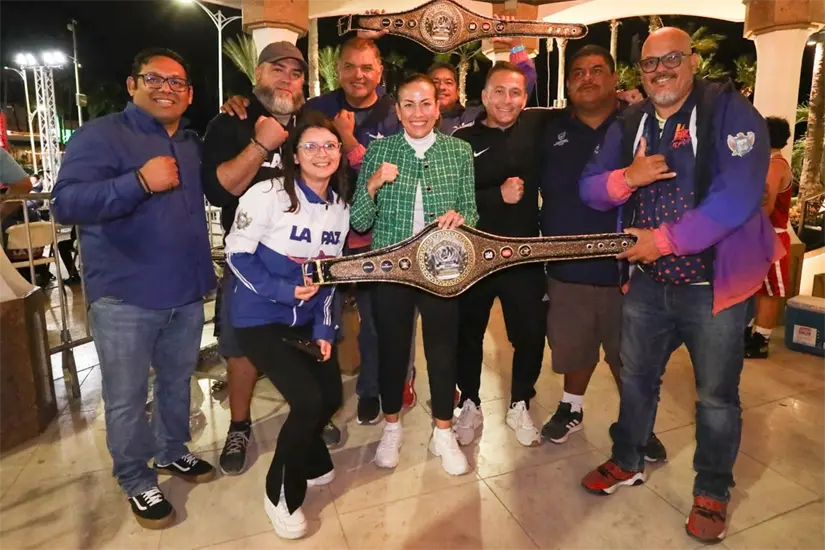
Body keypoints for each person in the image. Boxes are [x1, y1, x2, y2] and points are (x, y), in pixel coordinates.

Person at [577, 28, 781, 543]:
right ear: (639, 72)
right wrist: (629, 178)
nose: (661, 70)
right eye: (650, 64)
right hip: (647, 285)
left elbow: (738, 196)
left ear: (691, 61)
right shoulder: (630, 121)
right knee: (638, 381)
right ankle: (628, 458)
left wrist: (664, 240)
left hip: (714, 287)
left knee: (716, 397)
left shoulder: (730, 112)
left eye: (672, 59)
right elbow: (590, 186)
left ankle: (712, 490)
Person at [51, 48, 217, 529]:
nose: (167, 88)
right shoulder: (101, 135)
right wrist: (139, 182)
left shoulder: (189, 141)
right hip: (125, 296)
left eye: (178, 83)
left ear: (188, 94)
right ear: (132, 84)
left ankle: (172, 451)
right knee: (125, 397)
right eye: (155, 79)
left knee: (176, 381)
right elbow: (66, 203)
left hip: (184, 292)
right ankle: (135, 479)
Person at [537, 45, 667, 463]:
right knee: (575, 347)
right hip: (567, 268)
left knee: (628, 356)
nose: (587, 78)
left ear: (615, 79)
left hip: (627, 269)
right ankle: (571, 407)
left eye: (597, 70)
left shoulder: (640, 126)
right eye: (578, 72)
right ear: (568, 84)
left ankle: (638, 424)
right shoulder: (549, 130)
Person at [224, 116, 350, 540]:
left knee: (330, 394)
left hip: (307, 321)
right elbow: (236, 256)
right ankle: (280, 492)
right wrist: (282, 288)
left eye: (329, 145)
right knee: (308, 399)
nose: (321, 154)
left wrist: (326, 330)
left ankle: (312, 461)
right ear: (293, 155)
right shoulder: (266, 194)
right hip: (259, 318)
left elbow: (331, 278)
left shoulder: (340, 208)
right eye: (310, 146)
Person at [351, 73, 477, 476]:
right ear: (398, 110)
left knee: (442, 350)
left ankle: (443, 431)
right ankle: (392, 427)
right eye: (409, 104)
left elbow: (472, 211)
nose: (418, 112)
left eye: (426, 103)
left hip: (443, 266)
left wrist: (462, 218)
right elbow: (359, 219)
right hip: (391, 267)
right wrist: (372, 183)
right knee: (392, 350)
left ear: (438, 108)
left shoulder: (458, 151)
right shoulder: (380, 152)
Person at [202, 41, 305, 476]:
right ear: (257, 74)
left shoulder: (311, 125)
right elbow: (219, 190)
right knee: (241, 350)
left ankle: (309, 413)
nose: (286, 77)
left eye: (295, 72)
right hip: (248, 261)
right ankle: (240, 426)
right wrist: (262, 145)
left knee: (301, 343)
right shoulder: (230, 124)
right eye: (276, 69)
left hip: (302, 258)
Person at [450, 62, 549, 448]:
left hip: (522, 252)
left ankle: (520, 401)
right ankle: (470, 402)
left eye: (516, 93)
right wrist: (495, 197)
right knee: (468, 333)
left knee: (530, 331)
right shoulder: (461, 139)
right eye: (499, 91)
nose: (507, 100)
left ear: (525, 97)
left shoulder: (539, 128)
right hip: (473, 254)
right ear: (485, 95)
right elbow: (450, 200)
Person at [745, 116, 794, 359]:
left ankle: (760, 339)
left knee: (769, 291)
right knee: (760, 288)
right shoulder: (771, 163)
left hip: (769, 234)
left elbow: (766, 205)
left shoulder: (774, 166)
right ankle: (754, 334)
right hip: (766, 233)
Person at [430, 34, 537, 135]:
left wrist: (515, 45)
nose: (442, 87)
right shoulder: (416, 121)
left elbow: (521, 85)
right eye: (435, 82)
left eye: (448, 82)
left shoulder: (473, 116)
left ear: (457, 92)